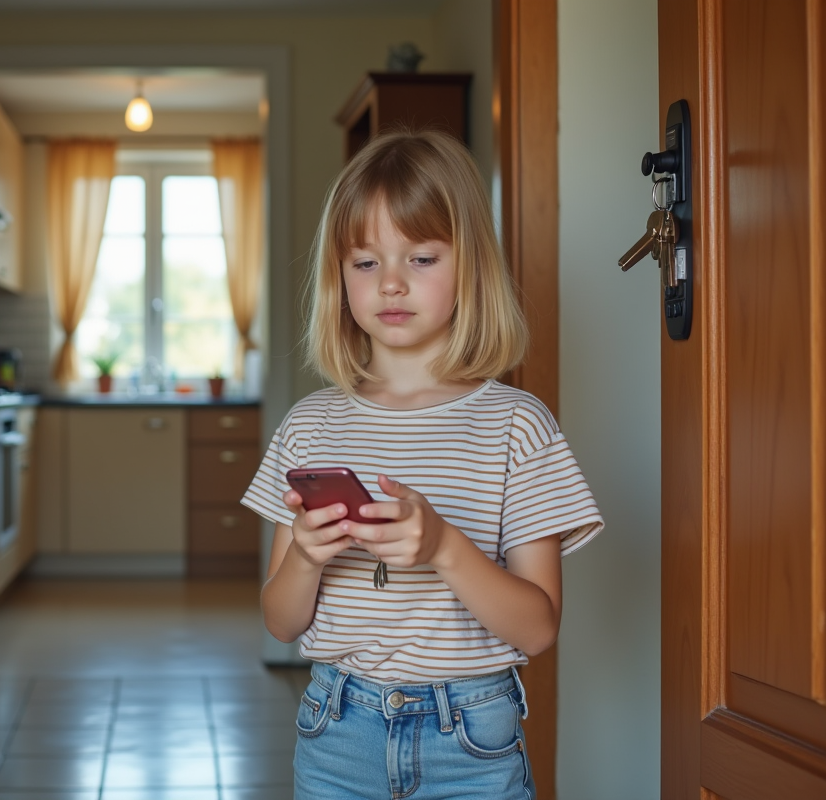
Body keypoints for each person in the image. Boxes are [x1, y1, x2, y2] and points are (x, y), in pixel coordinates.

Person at [241, 129, 604, 799]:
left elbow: (538, 626)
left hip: (470, 738)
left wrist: (442, 546)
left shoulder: (517, 426)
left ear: (471, 266)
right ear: (339, 275)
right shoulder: (309, 426)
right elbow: (281, 620)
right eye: (366, 262)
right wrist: (306, 556)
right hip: (336, 730)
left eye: (423, 256)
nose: (394, 283)